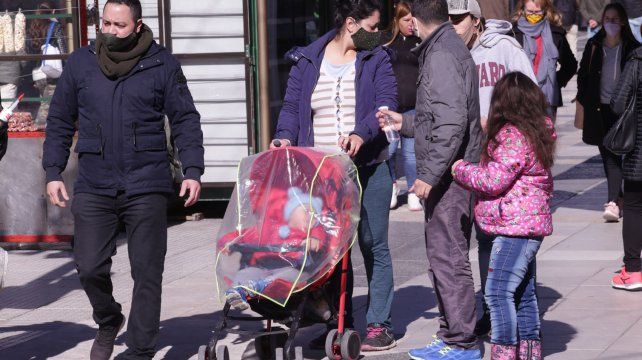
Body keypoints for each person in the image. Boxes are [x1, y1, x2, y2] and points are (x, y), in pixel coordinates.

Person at [42, 0, 204, 359]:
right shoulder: (81, 63)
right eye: (106, 24)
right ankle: (109, 318)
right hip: (95, 182)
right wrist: (53, 171)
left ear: (138, 25)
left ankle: (141, 350)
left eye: (119, 25)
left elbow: (185, 119)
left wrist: (192, 169)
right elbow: (59, 120)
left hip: (146, 182)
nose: (111, 31)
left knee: (147, 271)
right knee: (88, 266)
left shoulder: (161, 63)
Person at [271, 0, 399, 351]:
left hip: (368, 167)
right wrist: (283, 138)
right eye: (373, 29)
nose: (378, 37)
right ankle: (341, 324)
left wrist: (362, 133)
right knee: (331, 251)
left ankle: (379, 324)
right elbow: (292, 110)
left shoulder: (377, 59)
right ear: (351, 23)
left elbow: (386, 105)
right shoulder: (308, 60)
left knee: (374, 245)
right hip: (322, 174)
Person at [379, 1, 483, 358]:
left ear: (419, 19)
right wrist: (402, 122)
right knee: (443, 257)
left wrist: (427, 175)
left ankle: (461, 341)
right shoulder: (445, 48)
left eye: (410, 19)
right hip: (450, 174)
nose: (409, 26)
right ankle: (453, 335)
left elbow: (452, 125)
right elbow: (437, 116)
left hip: (449, 178)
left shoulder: (440, 55)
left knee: (449, 258)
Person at [447, 0, 537, 338]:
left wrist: (500, 124)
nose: (453, 25)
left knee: (512, 232)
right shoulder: (453, 54)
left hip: (507, 157)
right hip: (473, 157)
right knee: (485, 235)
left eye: (459, 19)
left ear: (476, 19)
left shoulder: (504, 48)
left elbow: (529, 97)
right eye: (450, 19)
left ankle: (518, 307)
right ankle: (491, 305)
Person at [452, 72, 555, 360]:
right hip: (528, 224)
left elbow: (492, 180)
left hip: (514, 227)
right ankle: (529, 350)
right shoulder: (538, 130)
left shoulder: (512, 136)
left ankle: (504, 352)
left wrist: (460, 168)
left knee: (497, 293)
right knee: (523, 293)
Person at [577, 3, 640, 223]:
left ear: (622, 21)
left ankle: (619, 199)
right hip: (600, 108)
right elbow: (583, 74)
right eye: (607, 19)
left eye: (615, 19)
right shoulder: (594, 45)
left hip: (626, 109)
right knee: (609, 156)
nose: (610, 24)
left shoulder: (632, 47)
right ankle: (615, 200)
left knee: (624, 154)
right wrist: (584, 96)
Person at [381, 1, 422, 211]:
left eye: (413, 20)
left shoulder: (420, 41)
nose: (411, 24)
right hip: (391, 106)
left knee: (410, 152)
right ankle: (392, 186)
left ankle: (413, 191)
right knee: (389, 149)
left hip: (413, 105)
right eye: (406, 20)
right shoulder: (387, 42)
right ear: (397, 21)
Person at [610, 45, 642, 291]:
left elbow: (618, 103)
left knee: (633, 207)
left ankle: (632, 270)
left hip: (639, 150)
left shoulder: (637, 60)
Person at [512, 0, 578, 120]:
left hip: (547, 98)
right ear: (522, 10)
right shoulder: (513, 34)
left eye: (537, 12)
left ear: (545, 11)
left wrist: (556, 81)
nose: (533, 15)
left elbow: (571, 65)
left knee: (544, 137)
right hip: (519, 97)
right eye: (530, 12)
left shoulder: (555, 34)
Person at [28, 1, 68, 125]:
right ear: (54, 12)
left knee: (45, 103)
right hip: (52, 73)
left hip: (38, 74)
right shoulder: (55, 27)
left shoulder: (34, 27)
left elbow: (30, 52)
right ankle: (42, 130)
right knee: (49, 109)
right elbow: (63, 51)